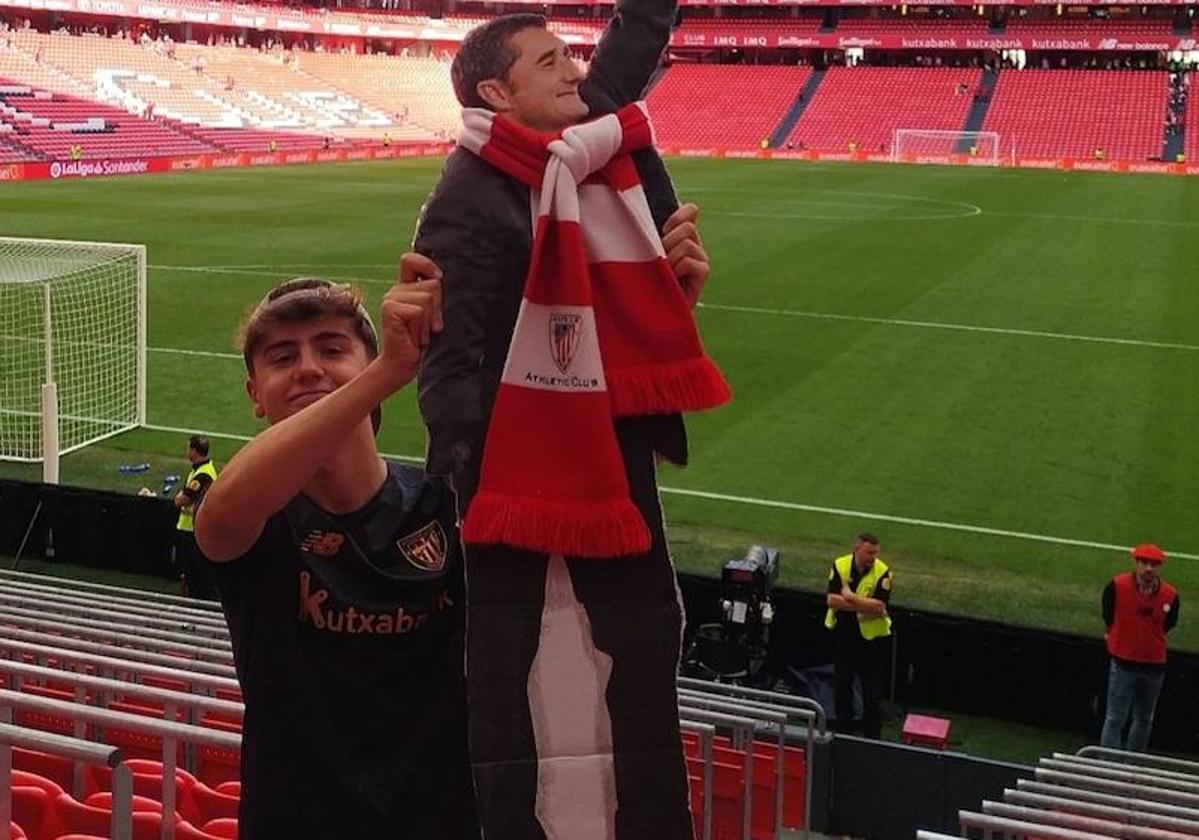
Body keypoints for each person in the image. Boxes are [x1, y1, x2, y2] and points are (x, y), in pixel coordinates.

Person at [412, 7, 720, 839]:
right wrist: (462, 480)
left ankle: (653, 821)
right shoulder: (468, 193)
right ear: (494, 91)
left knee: (644, 636)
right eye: (550, 61)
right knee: (503, 656)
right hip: (514, 463)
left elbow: (636, 34)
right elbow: (453, 351)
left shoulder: (587, 139)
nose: (574, 72)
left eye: (570, 56)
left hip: (612, 440)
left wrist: (665, 291)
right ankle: (509, 823)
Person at [193, 273, 479, 838]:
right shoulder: (255, 517)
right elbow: (223, 509)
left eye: (331, 348)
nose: (307, 368)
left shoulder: (443, 505)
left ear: (368, 360)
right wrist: (381, 376)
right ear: (255, 395)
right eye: (282, 356)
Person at [1100, 543, 1179, 753]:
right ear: (1136, 563)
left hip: (1154, 666)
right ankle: (1108, 769)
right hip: (1124, 662)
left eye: (1154, 564)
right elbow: (1108, 614)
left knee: (1144, 719)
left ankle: (1133, 769)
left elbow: (1169, 623)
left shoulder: (1170, 595)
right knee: (1115, 718)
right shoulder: (1117, 586)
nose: (1149, 568)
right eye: (1144, 563)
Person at [825, 532, 892, 739]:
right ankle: (844, 730)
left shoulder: (882, 571)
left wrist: (851, 597)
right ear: (857, 549)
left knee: (871, 689)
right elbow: (832, 601)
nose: (873, 556)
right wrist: (862, 603)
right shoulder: (841, 565)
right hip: (845, 635)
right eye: (869, 552)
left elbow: (879, 607)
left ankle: (872, 735)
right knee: (842, 684)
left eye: (875, 552)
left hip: (870, 640)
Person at [173, 435, 218, 599]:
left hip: (191, 529)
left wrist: (179, 498)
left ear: (193, 450)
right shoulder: (201, 470)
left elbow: (181, 501)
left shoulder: (202, 475)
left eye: (188, 448)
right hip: (192, 528)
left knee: (194, 572)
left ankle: (196, 603)